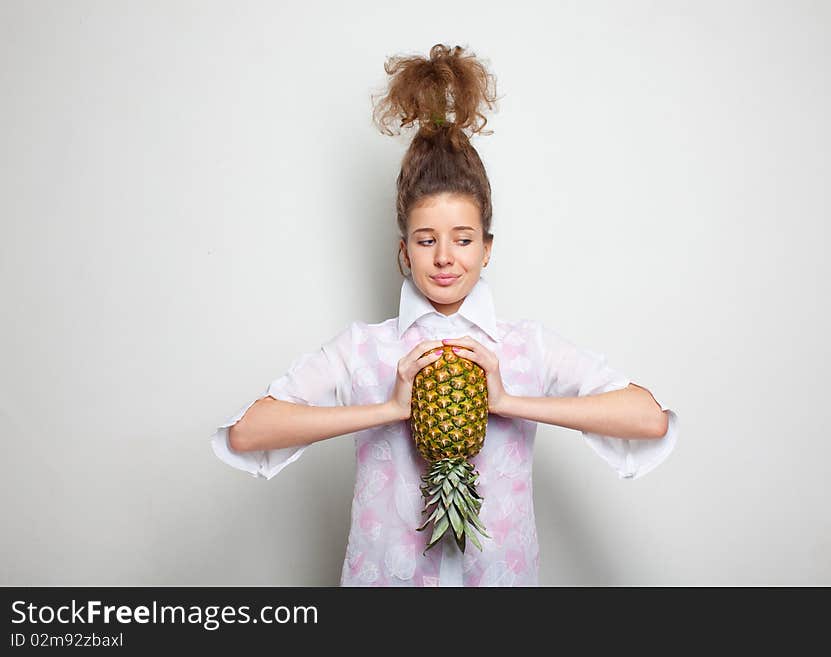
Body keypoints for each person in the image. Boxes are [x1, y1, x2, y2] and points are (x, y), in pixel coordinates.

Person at [210, 43, 679, 587]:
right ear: (403, 251)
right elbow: (247, 435)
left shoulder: (525, 347)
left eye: (463, 238)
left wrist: (508, 402)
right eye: (426, 240)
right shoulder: (365, 349)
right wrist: (387, 409)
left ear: (487, 247)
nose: (445, 257)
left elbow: (649, 420)